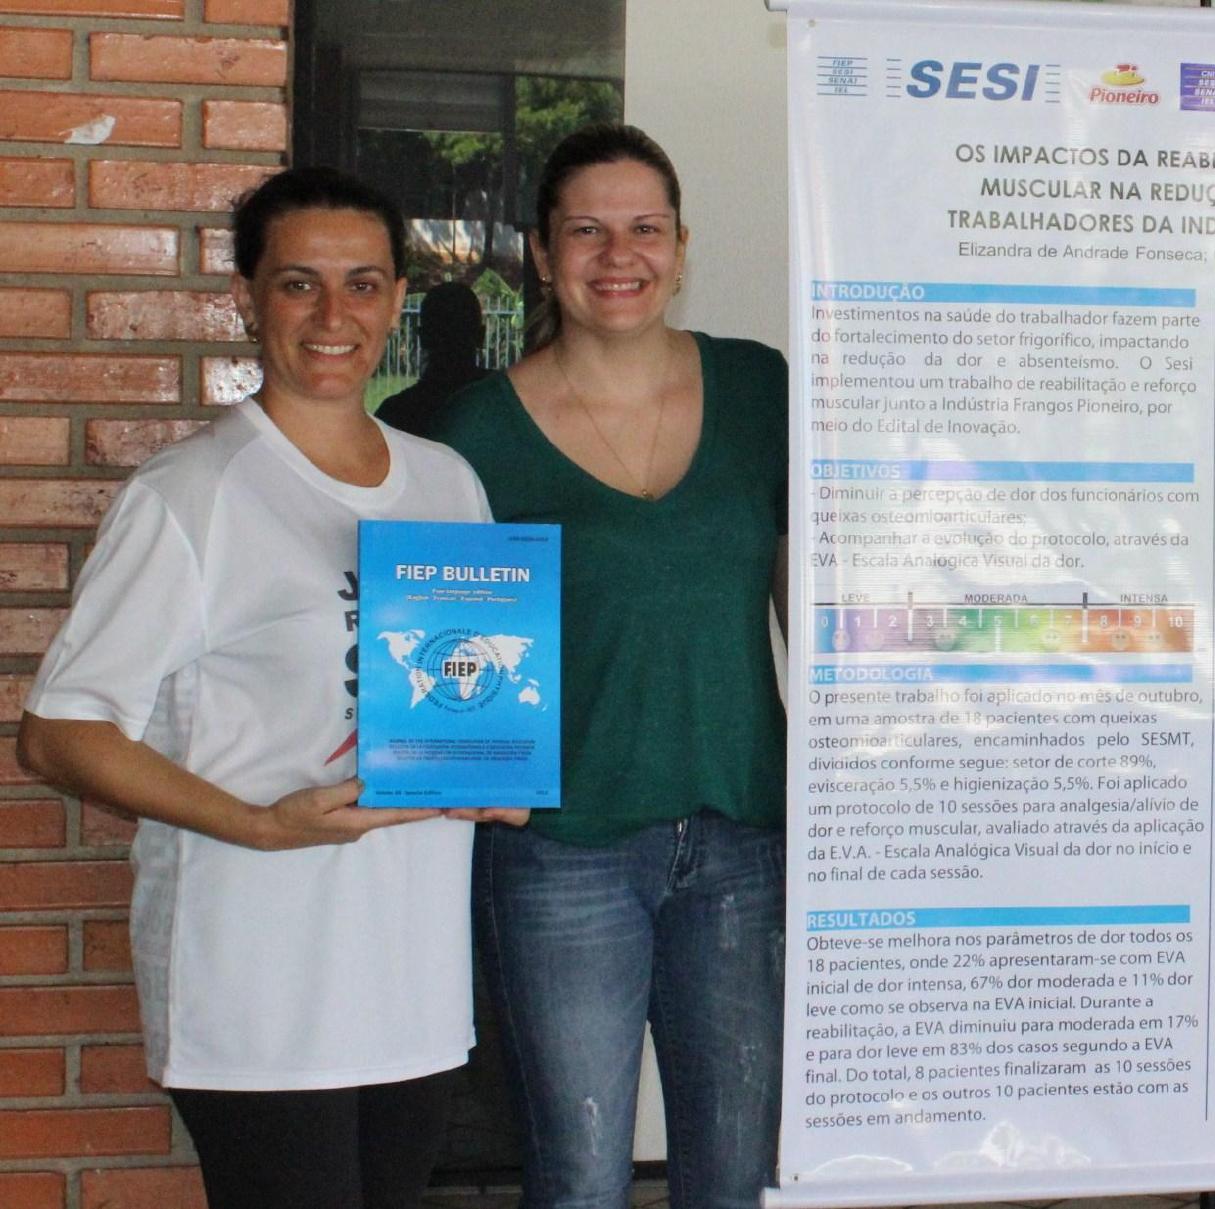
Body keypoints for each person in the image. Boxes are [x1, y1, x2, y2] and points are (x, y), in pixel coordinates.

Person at [15, 166, 523, 1209]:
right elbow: (60, 732)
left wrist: (497, 769)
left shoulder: (447, 482)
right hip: (259, 986)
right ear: (247, 297)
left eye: (363, 283)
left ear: (398, 297)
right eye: (299, 283)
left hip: (413, 984)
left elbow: (464, 688)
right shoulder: (190, 494)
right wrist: (259, 824)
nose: (334, 315)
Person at [399, 124, 788, 1209]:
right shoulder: (475, 431)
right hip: (561, 850)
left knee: (734, 1174)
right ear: (542, 251)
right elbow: (441, 650)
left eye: (645, 228)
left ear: (681, 245)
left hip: (742, 835)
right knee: (576, 1176)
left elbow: (808, 607)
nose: (619, 256)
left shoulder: (760, 389)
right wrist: (453, 764)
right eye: (586, 231)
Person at [376, 280, 491, 432]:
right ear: (480, 336)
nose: (451, 340)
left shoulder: (395, 415)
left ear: (423, 337)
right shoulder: (506, 401)